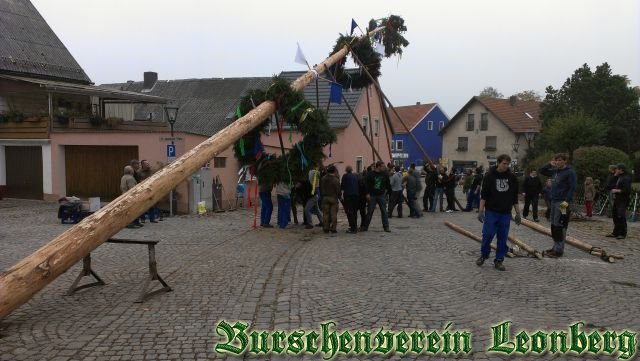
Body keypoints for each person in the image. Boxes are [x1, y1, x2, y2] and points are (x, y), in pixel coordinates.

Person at [476, 154, 521, 271]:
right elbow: (484, 195)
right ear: (498, 162)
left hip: (505, 213)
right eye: (504, 163)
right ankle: (484, 255)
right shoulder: (489, 176)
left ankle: (499, 260)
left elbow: (514, 197)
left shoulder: (512, 178)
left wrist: (518, 213)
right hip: (491, 211)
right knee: (487, 235)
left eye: (508, 164)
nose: (506, 166)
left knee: (502, 238)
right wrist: (481, 211)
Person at [539, 153, 577, 258]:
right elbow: (542, 170)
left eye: (560, 160)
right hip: (554, 201)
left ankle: (559, 250)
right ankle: (555, 247)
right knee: (554, 225)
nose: (558, 162)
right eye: (557, 160)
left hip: (563, 203)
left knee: (561, 224)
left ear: (565, 161)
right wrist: (549, 164)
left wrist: (567, 201)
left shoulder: (570, 173)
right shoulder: (555, 172)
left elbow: (572, 188)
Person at [360, 161, 391, 232]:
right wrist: (367, 193)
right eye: (383, 166)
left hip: (381, 195)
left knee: (384, 211)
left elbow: (388, 184)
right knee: (370, 211)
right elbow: (366, 184)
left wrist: (387, 192)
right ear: (378, 166)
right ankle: (365, 226)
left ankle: (386, 227)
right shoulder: (370, 174)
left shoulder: (385, 174)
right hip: (372, 195)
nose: (384, 167)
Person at [607, 163, 632, 239]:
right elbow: (609, 186)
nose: (616, 170)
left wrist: (617, 190)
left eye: (617, 169)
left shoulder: (626, 178)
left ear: (621, 170)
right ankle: (615, 232)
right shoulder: (618, 177)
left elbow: (627, 190)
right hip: (616, 199)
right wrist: (614, 176)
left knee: (621, 216)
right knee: (615, 215)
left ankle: (622, 233)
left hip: (623, 199)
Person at [320, 165, 341, 234]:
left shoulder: (323, 178)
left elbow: (321, 188)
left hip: (325, 198)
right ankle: (333, 228)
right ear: (334, 171)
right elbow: (338, 190)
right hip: (333, 198)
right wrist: (340, 197)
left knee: (325, 214)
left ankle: (326, 228)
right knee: (333, 214)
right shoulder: (336, 180)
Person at [341, 165, 360, 233]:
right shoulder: (356, 176)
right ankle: (355, 225)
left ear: (346, 170)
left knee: (350, 211)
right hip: (356, 195)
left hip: (348, 196)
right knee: (355, 211)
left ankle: (353, 228)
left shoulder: (345, 176)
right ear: (352, 170)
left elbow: (342, 186)